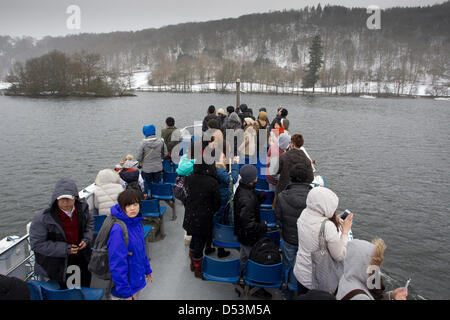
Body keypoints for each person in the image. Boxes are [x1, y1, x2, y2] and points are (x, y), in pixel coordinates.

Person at [30, 178, 94, 288]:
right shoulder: (43, 218)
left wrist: (86, 239)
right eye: (61, 199)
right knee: (67, 290)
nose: (65, 202)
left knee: (84, 285)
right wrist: (65, 249)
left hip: (82, 257)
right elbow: (37, 244)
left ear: (75, 197)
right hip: (59, 264)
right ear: (55, 199)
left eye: (68, 199)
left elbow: (89, 223)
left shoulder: (82, 208)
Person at [293, 187, 353, 295]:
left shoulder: (304, 213)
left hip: (300, 272)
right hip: (317, 279)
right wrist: (345, 232)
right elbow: (339, 255)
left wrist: (336, 221)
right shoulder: (327, 226)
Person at [274, 162, 314, 299]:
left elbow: (278, 217)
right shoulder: (313, 197)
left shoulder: (282, 196)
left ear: (291, 177)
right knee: (307, 265)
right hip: (307, 240)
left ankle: (287, 291)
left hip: (289, 237)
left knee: (288, 263)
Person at [233, 164, 271, 298]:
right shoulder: (247, 198)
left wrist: (258, 198)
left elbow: (248, 204)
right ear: (252, 179)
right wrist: (263, 226)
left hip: (242, 235)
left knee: (243, 256)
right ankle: (255, 286)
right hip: (249, 236)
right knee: (254, 259)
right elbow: (249, 224)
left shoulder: (243, 189)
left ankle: (241, 280)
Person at [107, 189, 152, 300]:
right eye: (128, 205)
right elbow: (117, 264)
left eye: (135, 204)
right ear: (122, 207)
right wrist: (125, 293)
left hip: (136, 279)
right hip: (124, 289)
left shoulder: (137, 223)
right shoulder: (118, 230)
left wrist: (147, 269)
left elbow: (141, 250)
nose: (132, 208)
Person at [183, 158, 222, 278]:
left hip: (190, 215)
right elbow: (217, 202)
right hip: (204, 218)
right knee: (200, 242)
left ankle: (192, 263)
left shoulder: (189, 178)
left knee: (194, 239)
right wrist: (210, 210)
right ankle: (197, 269)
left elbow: (185, 196)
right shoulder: (212, 182)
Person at [336, 238, 408, 300]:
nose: (376, 270)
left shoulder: (348, 278)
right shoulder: (360, 298)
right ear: (362, 265)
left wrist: (391, 295)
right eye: (374, 264)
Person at [204, 153, 240, 258]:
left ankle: (208, 246)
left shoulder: (211, 170)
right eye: (223, 157)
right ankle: (220, 249)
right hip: (221, 202)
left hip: (213, 202)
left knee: (212, 223)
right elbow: (232, 180)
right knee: (220, 223)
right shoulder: (220, 172)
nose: (225, 159)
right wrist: (235, 164)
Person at [136, 124, 168, 195]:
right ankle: (157, 195)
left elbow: (138, 158)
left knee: (147, 184)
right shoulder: (161, 142)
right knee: (157, 184)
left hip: (147, 169)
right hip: (158, 167)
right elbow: (165, 154)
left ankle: (148, 196)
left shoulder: (143, 143)